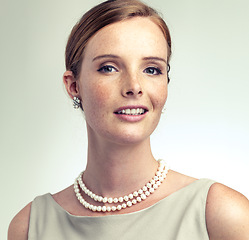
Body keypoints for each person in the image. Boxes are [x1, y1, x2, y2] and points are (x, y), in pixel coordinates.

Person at [8, 0, 249, 239]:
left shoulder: (221, 214)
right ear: (73, 86)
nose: (134, 87)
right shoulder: (28, 227)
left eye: (152, 69)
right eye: (109, 67)